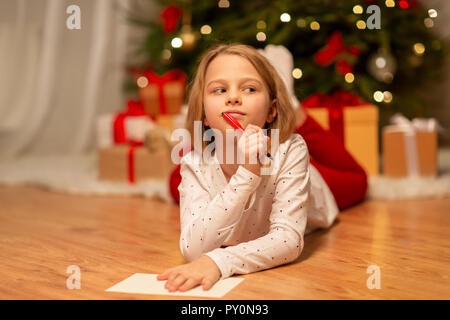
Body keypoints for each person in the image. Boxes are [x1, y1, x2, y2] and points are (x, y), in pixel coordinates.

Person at [158, 43, 367, 292]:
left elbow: (288, 240)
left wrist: (219, 261)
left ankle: (293, 105)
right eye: (220, 89)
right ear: (203, 115)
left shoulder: (291, 150)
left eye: (249, 88)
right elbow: (193, 249)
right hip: (225, 168)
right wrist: (245, 174)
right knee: (175, 180)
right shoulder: (194, 162)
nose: (233, 97)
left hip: (309, 188)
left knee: (358, 180)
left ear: (271, 111)